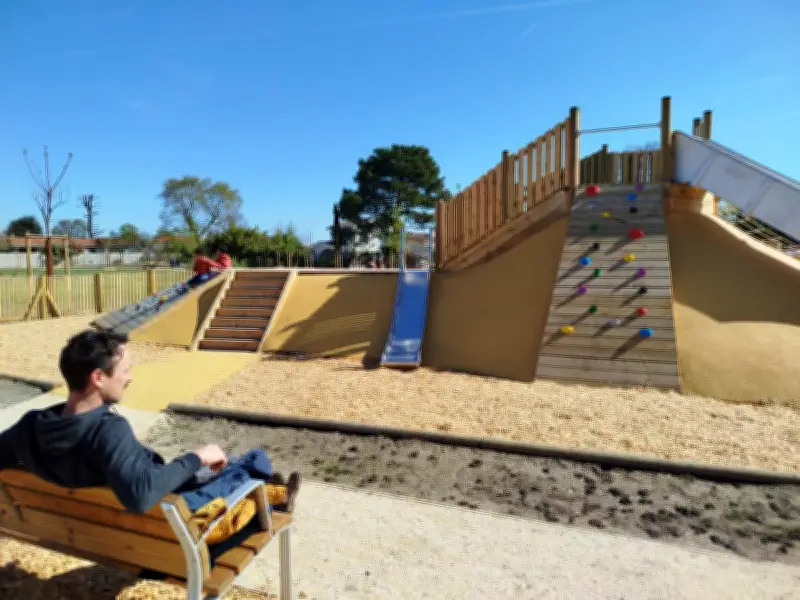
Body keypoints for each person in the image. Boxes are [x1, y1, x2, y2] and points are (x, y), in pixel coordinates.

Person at [0, 330, 299, 545]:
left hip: (87, 533)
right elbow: (141, 495)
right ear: (98, 378)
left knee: (225, 466)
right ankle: (273, 498)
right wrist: (197, 457)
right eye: (125, 370)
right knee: (250, 464)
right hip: (162, 531)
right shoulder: (107, 431)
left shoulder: (31, 426)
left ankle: (267, 491)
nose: (130, 377)